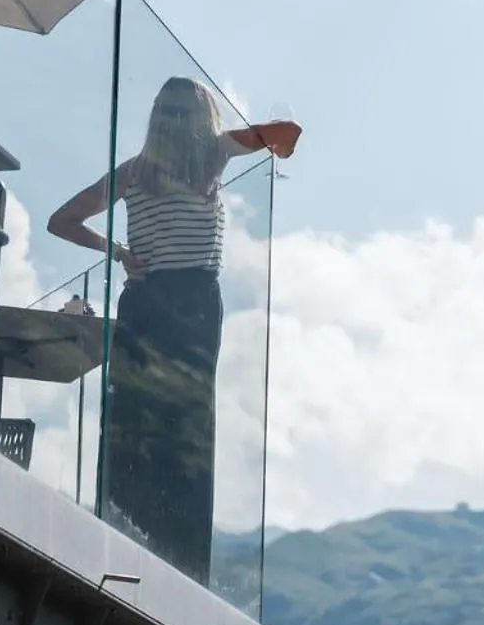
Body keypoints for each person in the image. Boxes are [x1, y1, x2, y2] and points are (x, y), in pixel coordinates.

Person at [48, 77, 299, 584]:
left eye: (182, 112)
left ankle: (171, 553)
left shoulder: (204, 158)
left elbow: (286, 132)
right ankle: (129, 541)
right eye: (170, 112)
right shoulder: (162, 166)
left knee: (170, 422)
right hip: (167, 302)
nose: (175, 122)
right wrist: (118, 251)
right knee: (152, 421)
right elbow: (62, 220)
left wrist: (257, 143)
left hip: (180, 303)